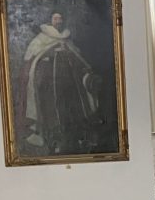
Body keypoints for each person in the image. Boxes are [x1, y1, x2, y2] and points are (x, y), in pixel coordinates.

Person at [19, 11, 104, 155]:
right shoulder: (42, 37)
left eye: (60, 18)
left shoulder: (66, 37)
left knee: (73, 109)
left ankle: (79, 139)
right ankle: (54, 141)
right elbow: (32, 57)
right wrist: (49, 55)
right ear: (50, 20)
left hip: (70, 84)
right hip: (50, 84)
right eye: (56, 18)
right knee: (52, 112)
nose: (58, 21)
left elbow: (77, 57)